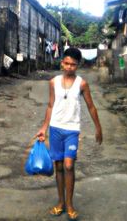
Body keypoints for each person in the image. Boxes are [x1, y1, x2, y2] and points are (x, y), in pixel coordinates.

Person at [36, 47, 103, 220]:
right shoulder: (53, 82)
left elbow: (91, 106)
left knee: (68, 165)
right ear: (62, 63)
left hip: (72, 130)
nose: (69, 67)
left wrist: (98, 128)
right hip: (55, 128)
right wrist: (44, 128)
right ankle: (60, 203)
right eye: (66, 63)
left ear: (77, 66)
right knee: (58, 166)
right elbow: (50, 105)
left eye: (73, 65)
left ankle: (70, 203)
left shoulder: (82, 84)